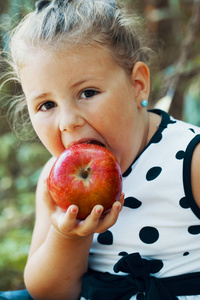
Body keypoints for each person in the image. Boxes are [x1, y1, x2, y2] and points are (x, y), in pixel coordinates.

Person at [1, 0, 200, 299]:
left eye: (88, 93)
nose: (68, 122)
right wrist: (67, 235)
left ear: (138, 85)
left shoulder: (190, 159)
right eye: (47, 105)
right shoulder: (54, 181)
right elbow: (49, 293)